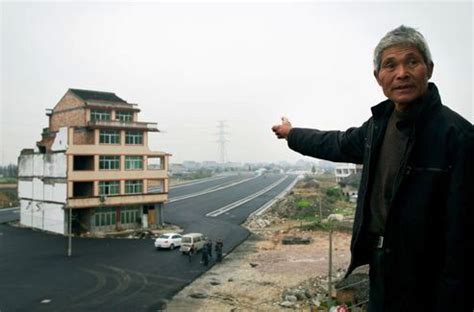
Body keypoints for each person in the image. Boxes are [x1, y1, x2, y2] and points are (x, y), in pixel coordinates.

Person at [272, 25, 473, 311]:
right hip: (382, 266)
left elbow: (463, 236)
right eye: (390, 65)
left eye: (411, 62)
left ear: (428, 69)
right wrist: (292, 134)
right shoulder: (378, 126)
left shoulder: (458, 137)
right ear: (378, 77)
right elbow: (336, 143)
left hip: (428, 278)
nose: (401, 73)